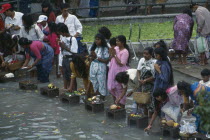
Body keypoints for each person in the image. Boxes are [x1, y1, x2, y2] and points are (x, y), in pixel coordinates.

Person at [108, 35, 130, 107]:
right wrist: (111, 53)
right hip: (113, 70)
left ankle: (122, 105)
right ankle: (115, 103)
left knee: (120, 88)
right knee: (113, 88)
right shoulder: (116, 48)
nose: (116, 42)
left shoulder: (125, 51)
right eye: (116, 41)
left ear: (122, 42)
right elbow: (111, 57)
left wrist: (114, 55)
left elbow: (121, 63)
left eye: (118, 41)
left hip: (120, 71)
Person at [57, 23, 78, 89]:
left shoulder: (73, 39)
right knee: (65, 75)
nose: (61, 35)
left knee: (72, 75)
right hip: (64, 58)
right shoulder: (63, 38)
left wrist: (65, 47)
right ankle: (66, 88)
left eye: (60, 33)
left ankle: (73, 90)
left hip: (70, 59)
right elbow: (61, 51)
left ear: (63, 32)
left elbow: (74, 51)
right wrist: (60, 63)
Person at [89, 33, 109, 99]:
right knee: (94, 81)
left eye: (98, 39)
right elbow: (91, 57)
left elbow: (106, 60)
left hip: (101, 67)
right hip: (93, 66)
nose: (96, 41)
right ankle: (96, 96)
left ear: (102, 40)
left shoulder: (105, 49)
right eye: (96, 39)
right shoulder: (94, 48)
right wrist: (91, 58)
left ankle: (102, 98)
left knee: (101, 82)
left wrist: (96, 57)